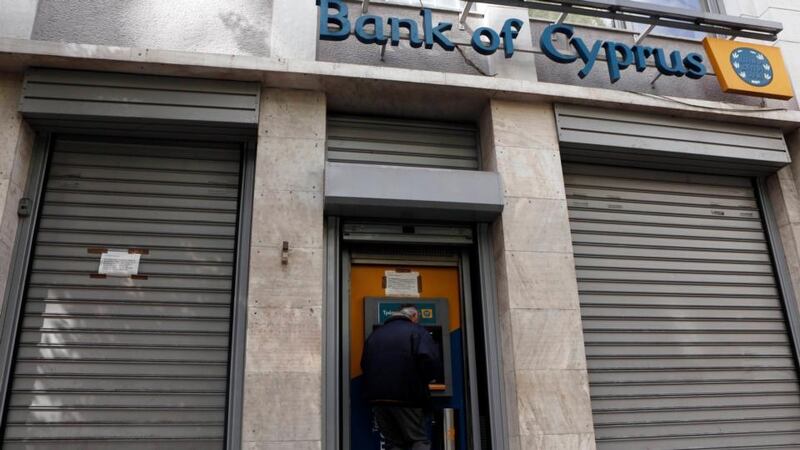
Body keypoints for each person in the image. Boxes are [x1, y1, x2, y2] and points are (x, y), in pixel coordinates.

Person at [361, 304, 441, 450]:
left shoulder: (375, 335)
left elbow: (364, 364)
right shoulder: (417, 331)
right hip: (407, 397)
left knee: (393, 443)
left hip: (379, 399)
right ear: (414, 316)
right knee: (418, 440)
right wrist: (429, 378)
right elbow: (429, 360)